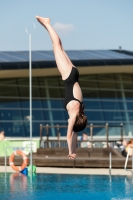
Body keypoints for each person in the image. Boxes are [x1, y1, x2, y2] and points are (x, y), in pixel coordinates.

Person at [36, 16, 87, 159]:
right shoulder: (72, 116)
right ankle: (47, 24)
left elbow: (75, 135)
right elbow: (69, 136)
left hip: (75, 74)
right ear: (75, 123)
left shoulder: (80, 111)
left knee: (60, 47)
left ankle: (46, 26)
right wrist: (70, 152)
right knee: (56, 47)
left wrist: (75, 151)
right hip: (68, 76)